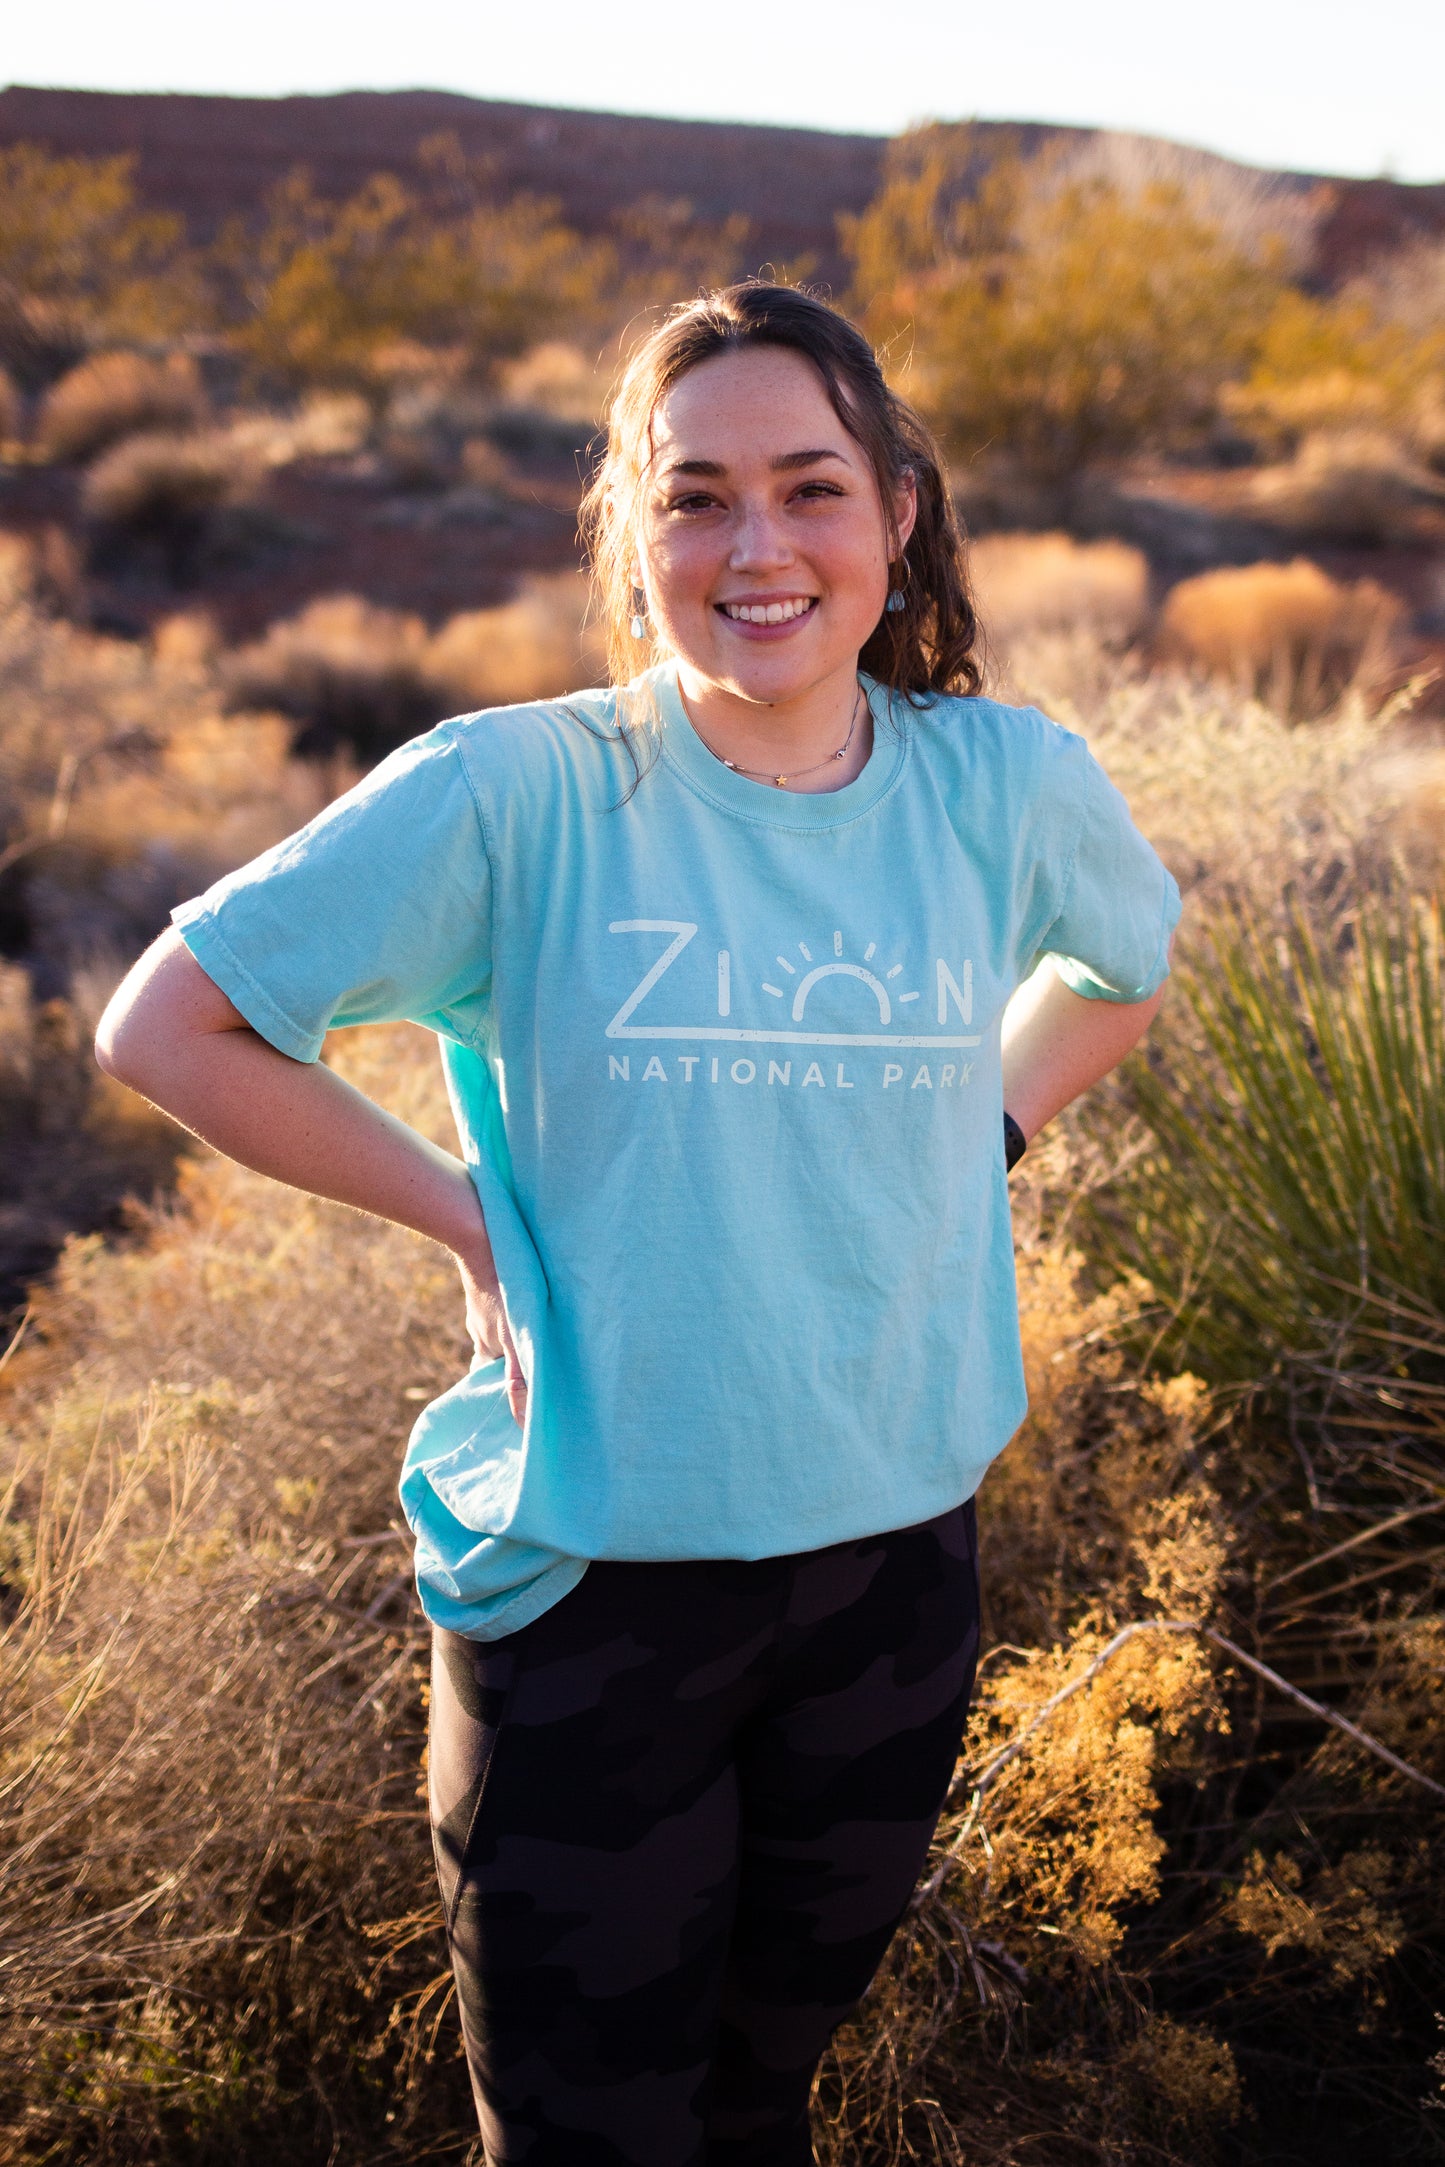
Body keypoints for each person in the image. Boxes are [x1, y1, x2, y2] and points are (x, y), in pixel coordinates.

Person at [96, 281, 1180, 2165]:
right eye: (694, 498)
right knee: (591, 2137)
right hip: (598, 1594)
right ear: (629, 528)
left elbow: (1119, 973)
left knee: (766, 2099)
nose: (757, 548)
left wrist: (977, 1130)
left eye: (809, 487)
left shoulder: (1003, 782)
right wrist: (461, 1218)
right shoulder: (518, 792)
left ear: (895, 513)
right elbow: (167, 1027)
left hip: (894, 1567)